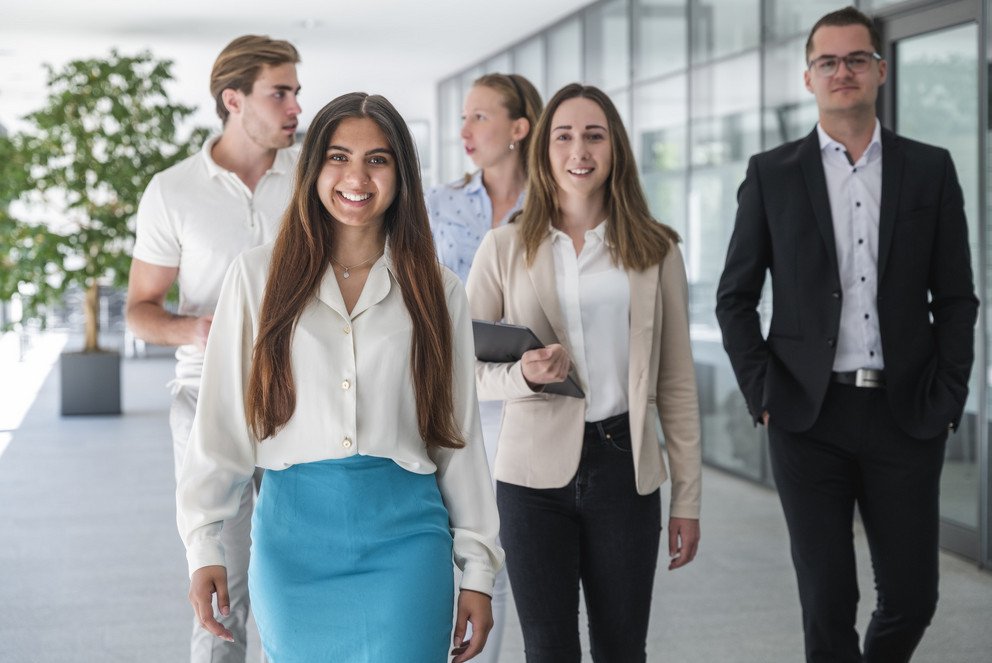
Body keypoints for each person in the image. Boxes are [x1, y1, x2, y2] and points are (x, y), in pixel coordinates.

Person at [176, 92, 502, 663]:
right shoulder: (256, 277)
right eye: (337, 156)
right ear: (312, 169)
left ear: (402, 173)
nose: (357, 176)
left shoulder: (437, 288)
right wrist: (204, 544)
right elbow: (222, 422)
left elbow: (460, 438)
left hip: (407, 542)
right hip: (292, 544)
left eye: (378, 159)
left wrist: (477, 568)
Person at [715, 7, 978, 662]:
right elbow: (735, 298)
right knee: (828, 600)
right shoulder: (772, 174)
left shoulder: (930, 169)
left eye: (856, 59)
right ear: (808, 77)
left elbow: (956, 298)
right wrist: (764, 393)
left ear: (880, 71)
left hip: (905, 413)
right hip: (808, 416)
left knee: (912, 597)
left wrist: (947, 394)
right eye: (827, 61)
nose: (842, 71)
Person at [466, 83, 702, 663]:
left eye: (594, 135)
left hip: (625, 467)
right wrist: (522, 376)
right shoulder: (502, 248)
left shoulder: (656, 250)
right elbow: (457, 369)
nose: (580, 150)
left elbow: (675, 379)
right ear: (544, 151)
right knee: (548, 649)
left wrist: (688, 499)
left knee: (623, 649)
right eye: (564, 136)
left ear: (615, 148)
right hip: (528, 477)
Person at [125, 34, 301, 663]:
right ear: (234, 99)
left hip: (302, 399)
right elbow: (141, 310)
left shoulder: (313, 181)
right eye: (279, 93)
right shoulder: (172, 191)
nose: (295, 108)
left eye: (296, 93)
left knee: (297, 579)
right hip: (208, 399)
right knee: (220, 589)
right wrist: (194, 330)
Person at [426, 71, 541, 663]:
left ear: (519, 129)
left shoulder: (553, 207)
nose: (465, 130)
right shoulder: (439, 202)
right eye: (464, 117)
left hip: (527, 397)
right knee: (459, 546)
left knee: (510, 553)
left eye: (480, 117)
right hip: (453, 392)